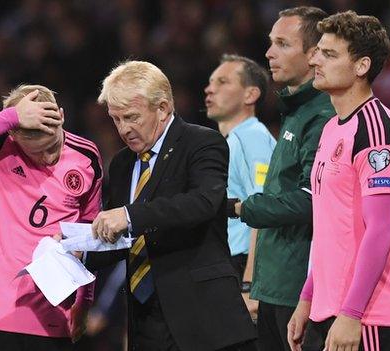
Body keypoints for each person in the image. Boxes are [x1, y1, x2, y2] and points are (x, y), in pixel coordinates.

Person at [85, 60, 256, 351]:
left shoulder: (202, 143)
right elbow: (119, 236)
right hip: (144, 320)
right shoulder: (123, 163)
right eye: (116, 119)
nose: (123, 129)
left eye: (131, 117)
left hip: (203, 318)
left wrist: (129, 215)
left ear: (162, 108)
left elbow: (203, 203)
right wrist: (80, 248)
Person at [0, 84, 103, 351]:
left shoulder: (86, 156)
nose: (49, 158)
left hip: (52, 319)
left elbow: (88, 235)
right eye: (37, 152)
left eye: (53, 144)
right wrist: (10, 117)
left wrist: (84, 303)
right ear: (14, 134)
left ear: (60, 116)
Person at [287, 11, 390, 351]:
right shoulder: (332, 128)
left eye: (329, 54)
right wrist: (308, 297)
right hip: (329, 311)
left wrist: (352, 313)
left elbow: (380, 230)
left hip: (365, 318)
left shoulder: (376, 134)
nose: (315, 60)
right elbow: (330, 228)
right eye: (318, 51)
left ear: (361, 66)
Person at [231, 6, 333, 351]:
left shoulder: (322, 115)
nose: (269, 53)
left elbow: (310, 200)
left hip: (299, 288)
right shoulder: (295, 110)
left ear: (313, 54)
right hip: (275, 284)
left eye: (283, 44)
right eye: (270, 42)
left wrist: (243, 208)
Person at [204, 54, 276, 287]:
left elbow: (264, 209)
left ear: (250, 94)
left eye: (222, 82)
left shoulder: (251, 137)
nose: (209, 89)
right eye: (211, 82)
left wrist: (249, 282)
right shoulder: (233, 140)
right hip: (230, 263)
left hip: (243, 266)